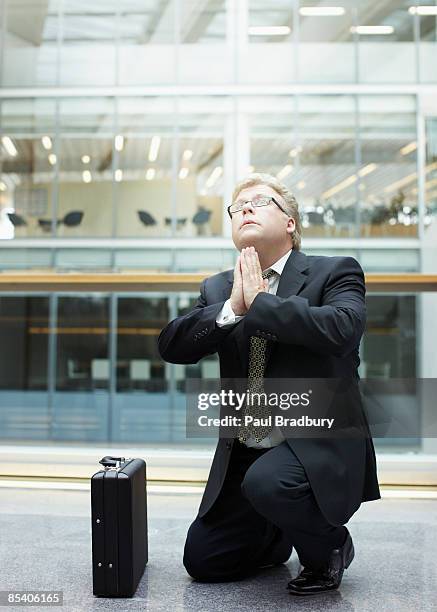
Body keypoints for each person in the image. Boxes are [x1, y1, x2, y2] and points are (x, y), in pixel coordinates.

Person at [157, 172, 380, 596]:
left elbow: (342, 329)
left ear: (291, 223)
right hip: (248, 448)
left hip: (316, 441)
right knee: (204, 562)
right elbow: (174, 345)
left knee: (270, 483)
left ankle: (330, 547)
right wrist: (231, 309)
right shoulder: (219, 286)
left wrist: (261, 304)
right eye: (237, 206)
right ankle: (278, 529)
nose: (244, 209)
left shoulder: (334, 272)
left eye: (259, 202)